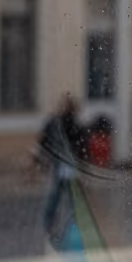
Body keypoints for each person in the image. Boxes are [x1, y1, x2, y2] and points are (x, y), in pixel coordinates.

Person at [37, 95, 87, 250]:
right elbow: (82, 146)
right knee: (70, 199)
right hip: (69, 165)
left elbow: (43, 140)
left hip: (59, 164)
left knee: (56, 196)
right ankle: (71, 227)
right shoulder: (75, 124)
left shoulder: (54, 121)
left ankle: (49, 224)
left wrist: (44, 158)